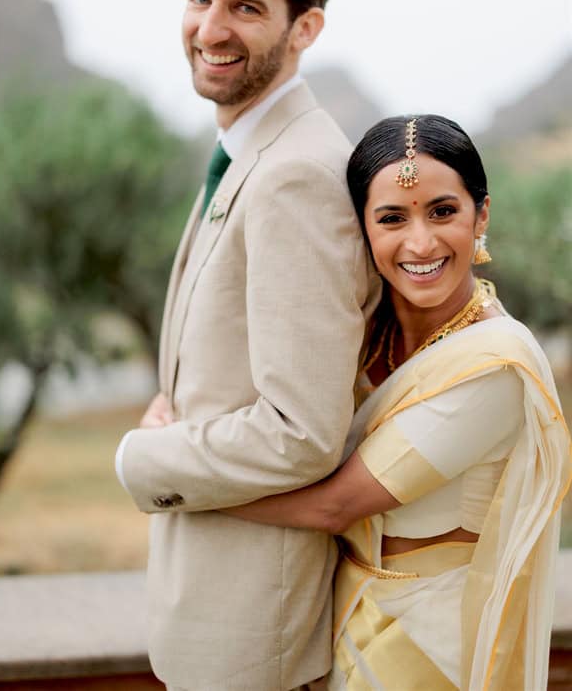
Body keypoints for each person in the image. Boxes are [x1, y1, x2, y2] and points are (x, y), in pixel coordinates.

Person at [115, 0, 378, 690]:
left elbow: (301, 429)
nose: (210, 28)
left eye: (246, 7)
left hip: (251, 645)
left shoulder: (298, 174)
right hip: (211, 618)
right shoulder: (249, 152)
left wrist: (148, 457)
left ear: (306, 28)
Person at [225, 114, 572, 690]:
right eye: (392, 218)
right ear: (362, 228)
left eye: (443, 211)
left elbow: (333, 508)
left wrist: (182, 486)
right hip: (342, 621)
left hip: (431, 647)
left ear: (481, 214)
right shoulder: (359, 334)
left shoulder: (495, 365)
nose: (420, 242)